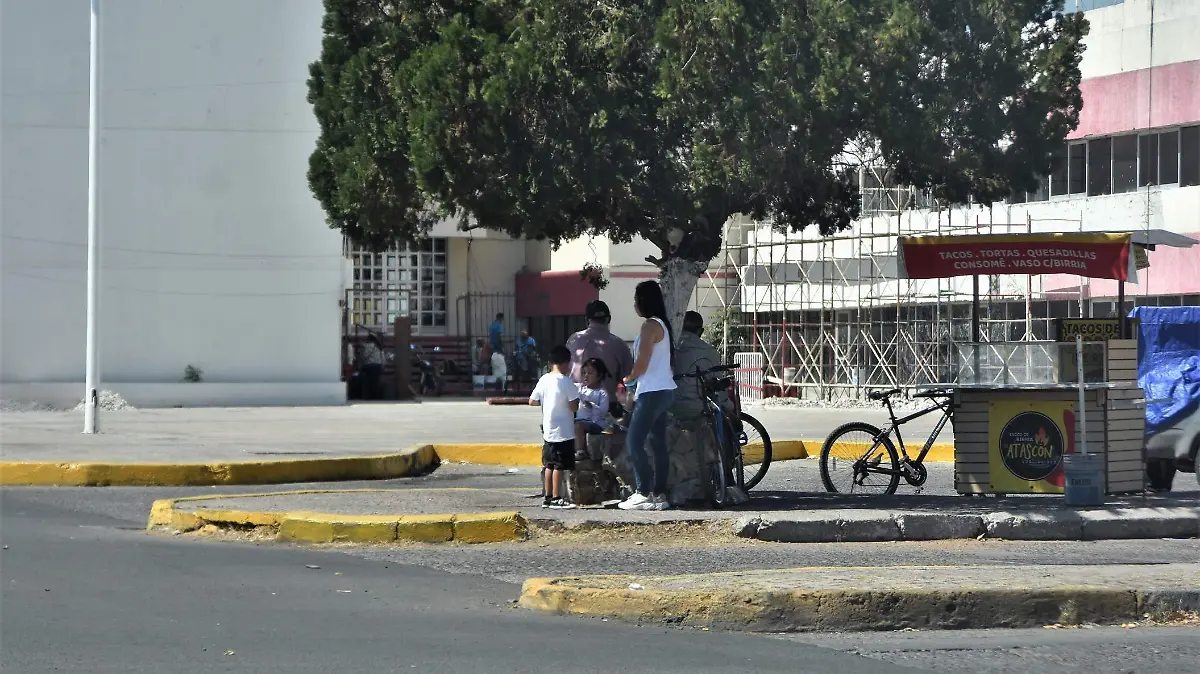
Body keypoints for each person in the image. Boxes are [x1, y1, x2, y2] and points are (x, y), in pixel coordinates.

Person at [618, 281, 677, 512]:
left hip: (651, 392)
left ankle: (642, 492)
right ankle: (660, 495)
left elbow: (641, 364)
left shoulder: (649, 326)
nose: (634, 305)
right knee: (657, 443)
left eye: (636, 300)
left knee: (633, 441)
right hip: (665, 391)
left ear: (643, 302)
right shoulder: (663, 325)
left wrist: (627, 379)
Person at [529, 345, 579, 509]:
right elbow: (574, 407)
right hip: (563, 431)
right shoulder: (567, 382)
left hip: (548, 431)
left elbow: (532, 401)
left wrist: (547, 402)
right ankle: (557, 498)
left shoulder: (544, 379)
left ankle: (548, 496)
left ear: (550, 362)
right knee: (560, 465)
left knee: (549, 464)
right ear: (566, 363)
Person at [567, 300, 634, 409]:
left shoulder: (574, 340)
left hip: (577, 404)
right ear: (608, 319)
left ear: (587, 320)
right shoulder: (619, 344)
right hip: (607, 405)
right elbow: (630, 377)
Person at [672, 311, 730, 421]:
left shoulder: (671, 349)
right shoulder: (710, 352)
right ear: (701, 331)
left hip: (673, 404)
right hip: (700, 405)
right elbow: (718, 384)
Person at [574, 358, 611, 460]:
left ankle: (581, 451)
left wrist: (593, 406)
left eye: (590, 373)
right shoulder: (580, 388)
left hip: (596, 424)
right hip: (581, 421)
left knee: (579, 425)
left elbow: (603, 411)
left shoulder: (601, 393)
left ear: (599, 376)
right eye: (584, 372)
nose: (586, 375)